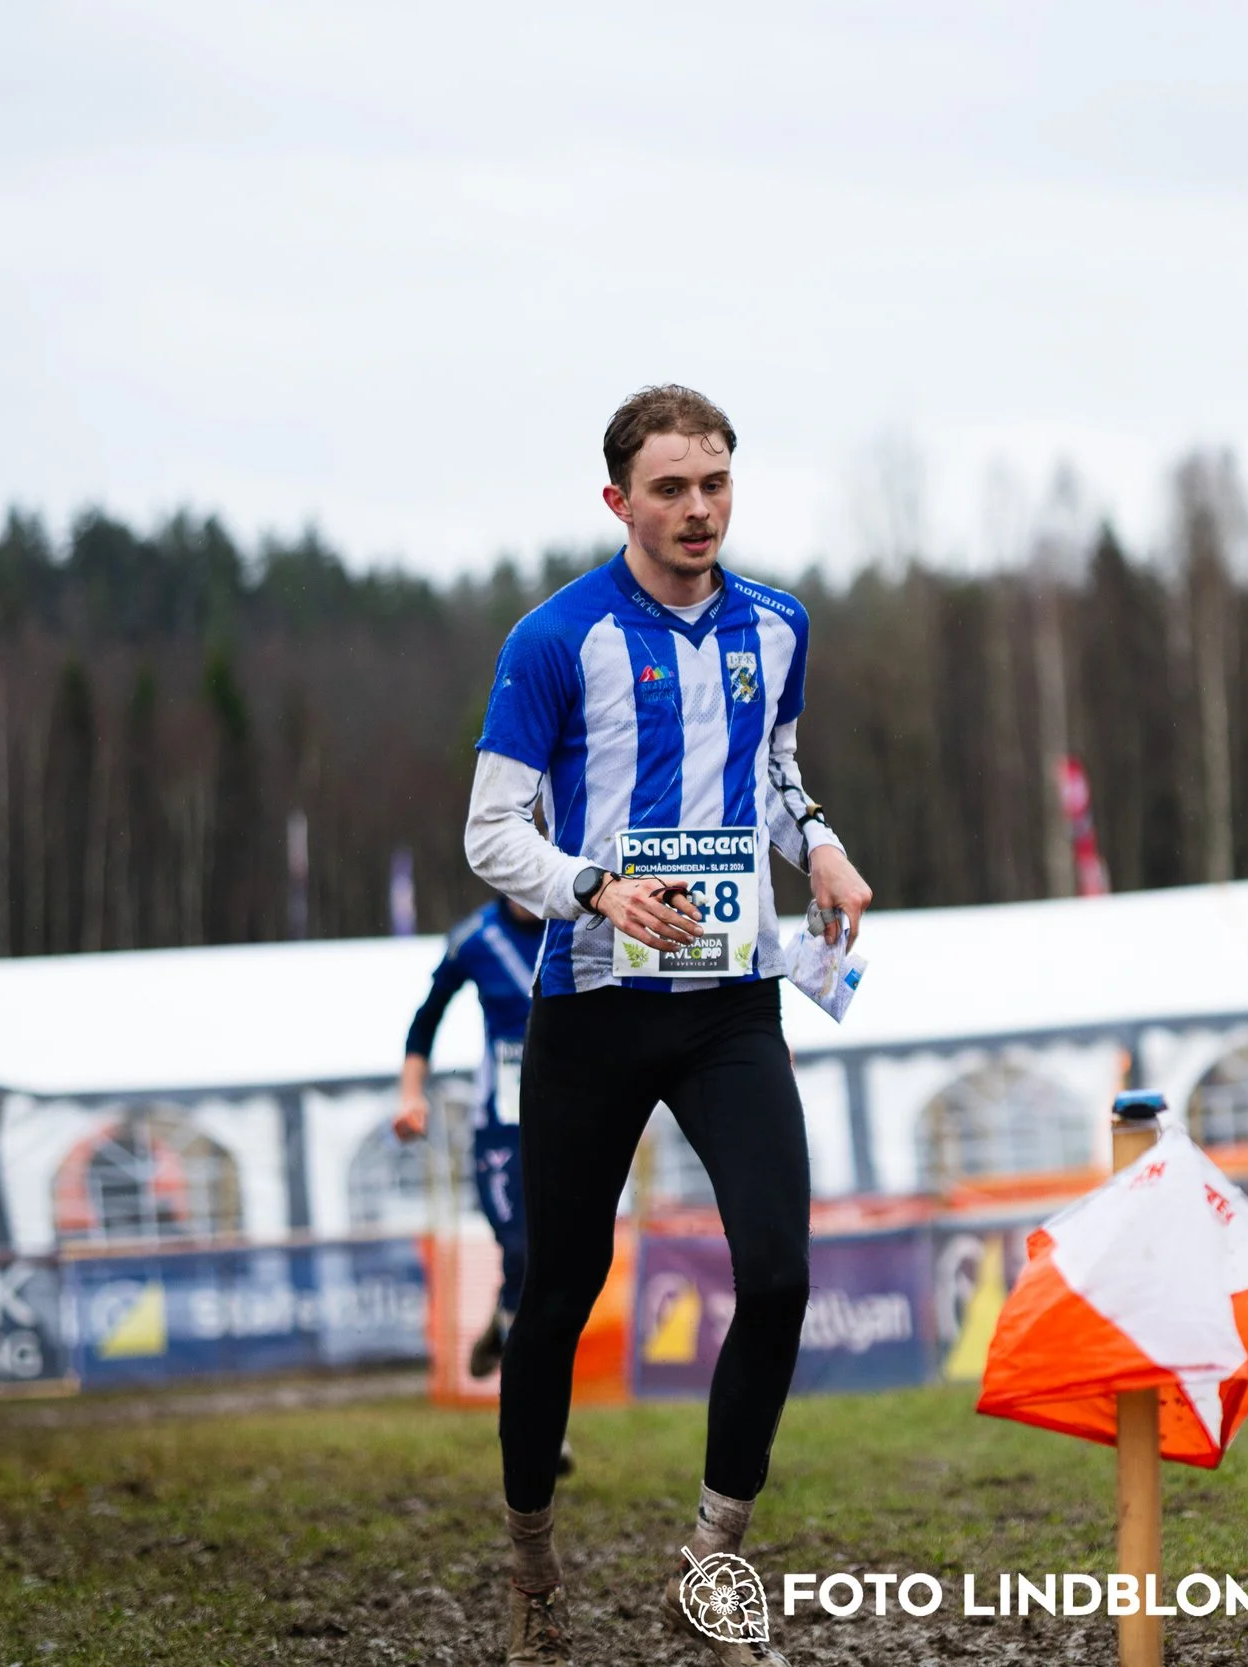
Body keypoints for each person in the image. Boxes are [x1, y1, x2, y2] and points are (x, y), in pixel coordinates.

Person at [464, 385, 873, 1666]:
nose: (697, 510)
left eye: (715, 486)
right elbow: (490, 832)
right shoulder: (553, 638)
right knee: (558, 1292)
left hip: (730, 1004)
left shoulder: (779, 625)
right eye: (670, 490)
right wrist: (594, 885)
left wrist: (823, 847)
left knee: (782, 1274)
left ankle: (712, 1554)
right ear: (617, 501)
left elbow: (771, 774)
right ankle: (530, 1557)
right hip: (593, 1003)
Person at [395, 895, 547, 1382]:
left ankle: (506, 1330)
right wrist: (411, 1096)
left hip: (569, 1118)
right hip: (501, 1125)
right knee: (521, 1249)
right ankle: (543, 1423)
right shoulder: (474, 938)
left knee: (558, 1261)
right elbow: (426, 1019)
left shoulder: (578, 921)